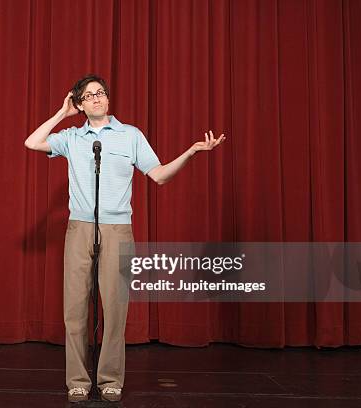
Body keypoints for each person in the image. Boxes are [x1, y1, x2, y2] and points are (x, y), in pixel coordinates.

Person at [24, 74, 225, 402]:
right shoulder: (72, 137)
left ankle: (109, 379)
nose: (97, 99)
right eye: (88, 96)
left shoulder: (130, 135)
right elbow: (32, 142)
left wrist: (191, 152)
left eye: (100, 93)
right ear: (81, 104)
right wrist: (62, 114)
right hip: (80, 228)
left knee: (116, 308)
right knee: (75, 309)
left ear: (107, 98)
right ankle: (77, 379)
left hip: (118, 230)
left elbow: (158, 175)